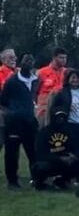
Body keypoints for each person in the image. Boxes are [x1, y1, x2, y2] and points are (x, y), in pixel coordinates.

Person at [2, 53, 40, 188]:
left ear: (33, 64)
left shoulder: (36, 80)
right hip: (14, 123)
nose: (28, 64)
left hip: (30, 121)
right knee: (12, 153)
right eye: (26, 61)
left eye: (31, 62)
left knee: (34, 151)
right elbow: (3, 100)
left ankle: (36, 180)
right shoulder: (12, 81)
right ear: (21, 64)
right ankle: (12, 182)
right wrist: (13, 113)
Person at [31, 109, 79, 189]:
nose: (61, 119)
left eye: (63, 117)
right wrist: (59, 159)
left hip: (65, 161)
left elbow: (74, 147)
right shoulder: (44, 132)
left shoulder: (68, 131)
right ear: (53, 118)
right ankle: (40, 183)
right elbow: (41, 154)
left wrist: (73, 156)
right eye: (58, 117)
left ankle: (61, 181)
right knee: (40, 167)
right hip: (50, 161)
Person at [49, 69, 79, 162]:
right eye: (73, 78)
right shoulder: (62, 93)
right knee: (69, 149)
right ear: (68, 79)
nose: (75, 80)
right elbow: (54, 109)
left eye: (78, 78)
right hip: (68, 125)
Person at [35, 47, 68, 127]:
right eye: (61, 57)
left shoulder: (67, 73)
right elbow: (34, 92)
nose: (64, 60)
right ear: (54, 57)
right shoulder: (41, 72)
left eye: (65, 58)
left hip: (62, 111)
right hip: (44, 111)